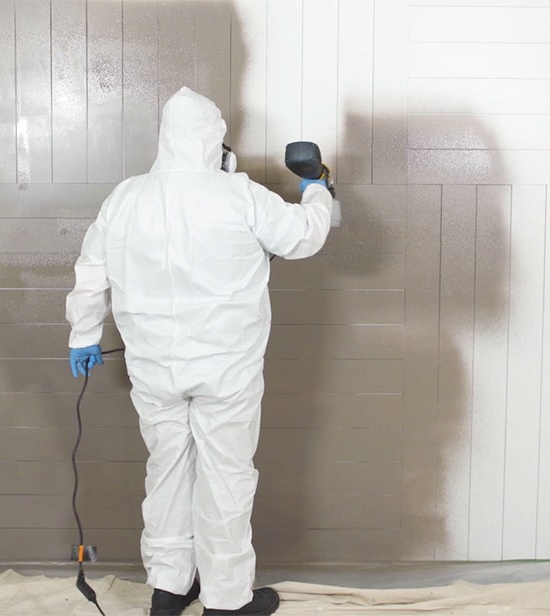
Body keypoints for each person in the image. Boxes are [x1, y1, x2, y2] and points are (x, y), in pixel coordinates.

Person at [66, 86, 339, 616]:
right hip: (225, 371)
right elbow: (304, 237)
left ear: (166, 139)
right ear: (213, 139)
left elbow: (91, 269)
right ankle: (226, 599)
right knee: (226, 477)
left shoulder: (126, 196)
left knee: (166, 471)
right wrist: (315, 189)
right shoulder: (239, 194)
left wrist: (83, 334)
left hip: (153, 370)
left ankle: (169, 590)